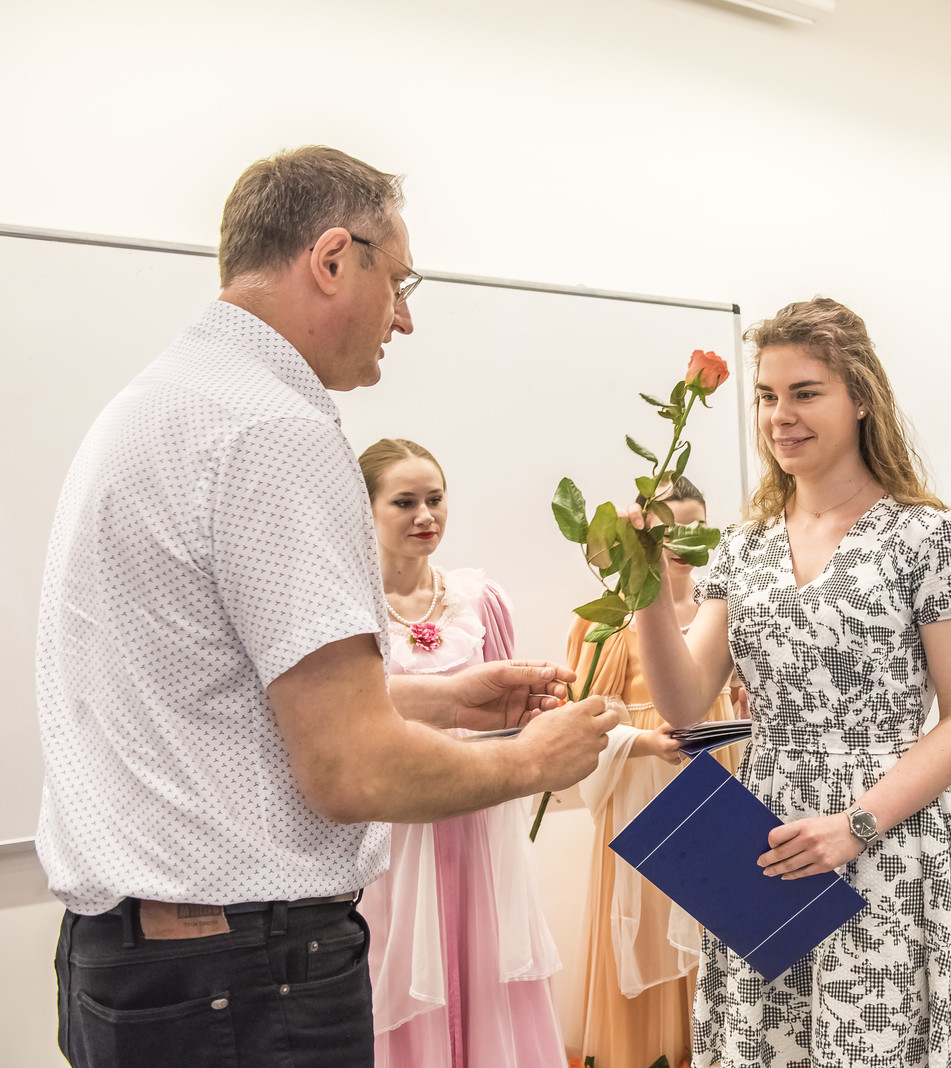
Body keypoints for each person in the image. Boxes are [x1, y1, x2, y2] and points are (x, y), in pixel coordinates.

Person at [35, 146, 619, 1068]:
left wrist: (441, 699)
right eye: (400, 282)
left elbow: (225, 691)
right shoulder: (274, 428)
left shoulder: (155, 404)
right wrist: (533, 761)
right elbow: (351, 769)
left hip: (137, 963)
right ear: (334, 258)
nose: (405, 317)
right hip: (242, 976)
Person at [629, 298, 951, 1067]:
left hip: (887, 836)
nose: (781, 416)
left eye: (805, 393)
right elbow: (683, 702)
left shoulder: (927, 535)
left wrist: (855, 826)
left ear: (861, 397)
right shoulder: (741, 546)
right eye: (766, 396)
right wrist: (642, 583)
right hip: (768, 840)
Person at [354, 438, 567, 1068]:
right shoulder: (349, 609)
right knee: (395, 964)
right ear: (364, 508)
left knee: (483, 956)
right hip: (391, 825)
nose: (426, 515)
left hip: (478, 819)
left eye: (435, 499)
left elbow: (509, 715)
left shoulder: (480, 600)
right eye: (405, 502)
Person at [571, 476, 745, 1068]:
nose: (682, 540)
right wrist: (644, 741)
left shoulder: (726, 611)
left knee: (719, 918)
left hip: (717, 780)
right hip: (642, 791)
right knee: (646, 921)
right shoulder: (612, 622)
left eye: (695, 526)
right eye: (668, 529)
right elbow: (581, 719)